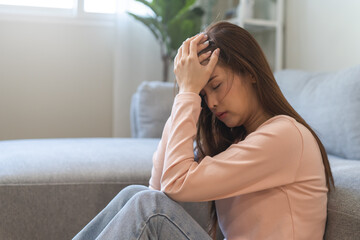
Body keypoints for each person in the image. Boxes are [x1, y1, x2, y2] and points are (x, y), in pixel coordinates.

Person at [73, 21, 334, 240]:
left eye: (216, 85)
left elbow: (174, 184)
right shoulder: (242, 141)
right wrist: (186, 92)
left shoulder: (285, 136)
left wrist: (187, 93)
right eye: (202, 93)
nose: (210, 103)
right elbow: (157, 186)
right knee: (136, 195)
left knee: (149, 208)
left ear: (249, 72)